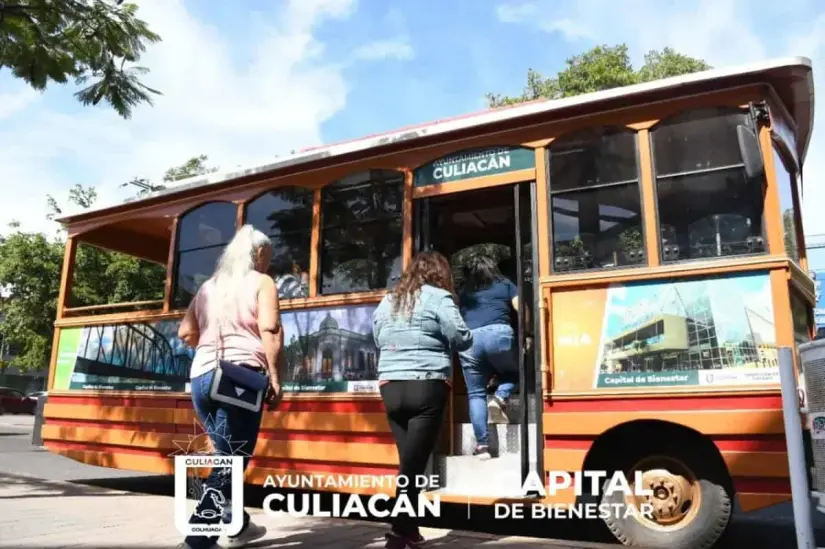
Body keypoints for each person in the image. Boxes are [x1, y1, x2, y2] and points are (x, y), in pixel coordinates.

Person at [176, 225, 284, 549]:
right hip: (240, 377)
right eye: (268, 256)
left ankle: (238, 526)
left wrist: (210, 350)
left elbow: (185, 332)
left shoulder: (210, 286)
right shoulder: (262, 282)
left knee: (225, 455)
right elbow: (271, 329)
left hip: (202, 377)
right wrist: (276, 378)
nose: (269, 262)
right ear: (259, 254)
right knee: (231, 460)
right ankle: (198, 540)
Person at [372, 251, 473, 549]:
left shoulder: (389, 299)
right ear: (440, 274)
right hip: (426, 385)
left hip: (390, 387)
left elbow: (377, 337)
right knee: (414, 463)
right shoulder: (439, 297)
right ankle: (399, 528)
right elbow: (459, 335)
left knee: (410, 461)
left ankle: (409, 530)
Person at [457, 255, 519, 461]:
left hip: (469, 341)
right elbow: (520, 308)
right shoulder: (504, 283)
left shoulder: (464, 290)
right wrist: (528, 333)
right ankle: (501, 396)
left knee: (475, 394)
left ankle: (482, 446)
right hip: (498, 335)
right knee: (515, 370)